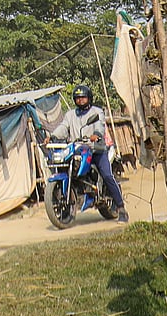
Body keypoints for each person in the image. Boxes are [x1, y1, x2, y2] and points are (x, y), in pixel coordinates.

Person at [54, 85, 128, 223]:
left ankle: (122, 208)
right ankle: (68, 208)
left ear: (89, 98)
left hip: (97, 150)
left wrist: (97, 134)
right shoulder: (70, 115)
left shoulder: (97, 111)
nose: (80, 100)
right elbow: (63, 127)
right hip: (78, 150)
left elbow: (100, 125)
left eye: (83, 97)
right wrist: (53, 136)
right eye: (78, 98)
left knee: (107, 175)